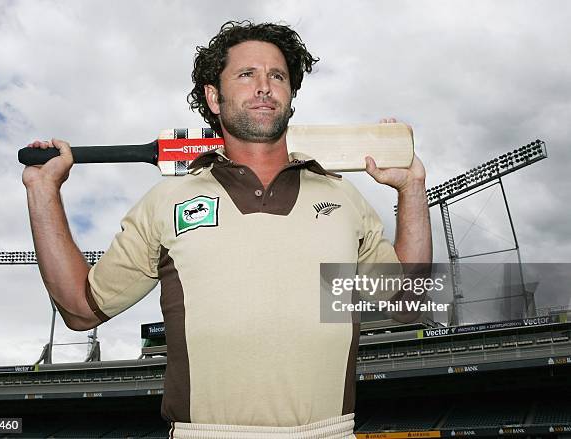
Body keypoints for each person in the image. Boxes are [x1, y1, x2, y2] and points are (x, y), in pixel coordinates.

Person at [22, 21, 431, 439]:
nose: (264, 86)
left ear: (290, 96)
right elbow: (79, 308)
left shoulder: (345, 199)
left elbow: (406, 300)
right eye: (246, 74)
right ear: (213, 97)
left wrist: (412, 189)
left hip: (332, 431)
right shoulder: (165, 202)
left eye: (277, 76)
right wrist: (43, 191)